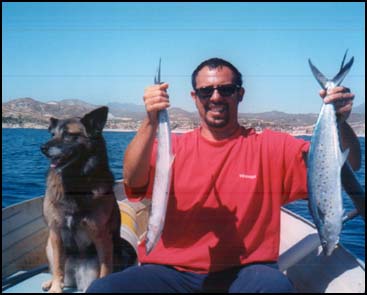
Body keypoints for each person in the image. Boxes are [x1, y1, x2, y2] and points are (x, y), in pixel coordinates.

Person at [87, 58, 361, 293]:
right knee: (103, 289)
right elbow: (133, 180)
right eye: (206, 91)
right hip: (168, 271)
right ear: (195, 98)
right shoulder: (173, 146)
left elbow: (349, 165)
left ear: (240, 94)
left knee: (276, 288)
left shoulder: (273, 147)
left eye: (225, 89)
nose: (216, 97)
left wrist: (339, 121)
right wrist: (150, 120)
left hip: (245, 273)